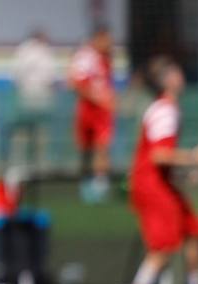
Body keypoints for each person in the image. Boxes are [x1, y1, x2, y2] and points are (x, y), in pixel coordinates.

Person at [127, 57, 198, 284]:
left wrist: (181, 172)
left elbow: (160, 155)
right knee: (164, 244)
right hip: (151, 185)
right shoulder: (164, 110)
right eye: (176, 71)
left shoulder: (167, 108)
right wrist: (194, 157)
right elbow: (158, 155)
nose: (181, 74)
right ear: (167, 80)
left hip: (160, 182)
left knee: (194, 229)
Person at [70, 24, 116, 203]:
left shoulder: (106, 57)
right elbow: (76, 83)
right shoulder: (85, 56)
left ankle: (100, 184)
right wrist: (99, 98)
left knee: (102, 146)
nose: (109, 43)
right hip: (89, 109)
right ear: (98, 37)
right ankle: (85, 183)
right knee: (86, 148)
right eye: (106, 39)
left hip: (102, 111)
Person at [8, 28, 57, 170]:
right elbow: (50, 78)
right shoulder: (33, 51)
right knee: (29, 132)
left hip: (33, 98)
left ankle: (31, 164)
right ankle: (25, 163)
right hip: (33, 97)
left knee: (35, 133)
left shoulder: (29, 51)